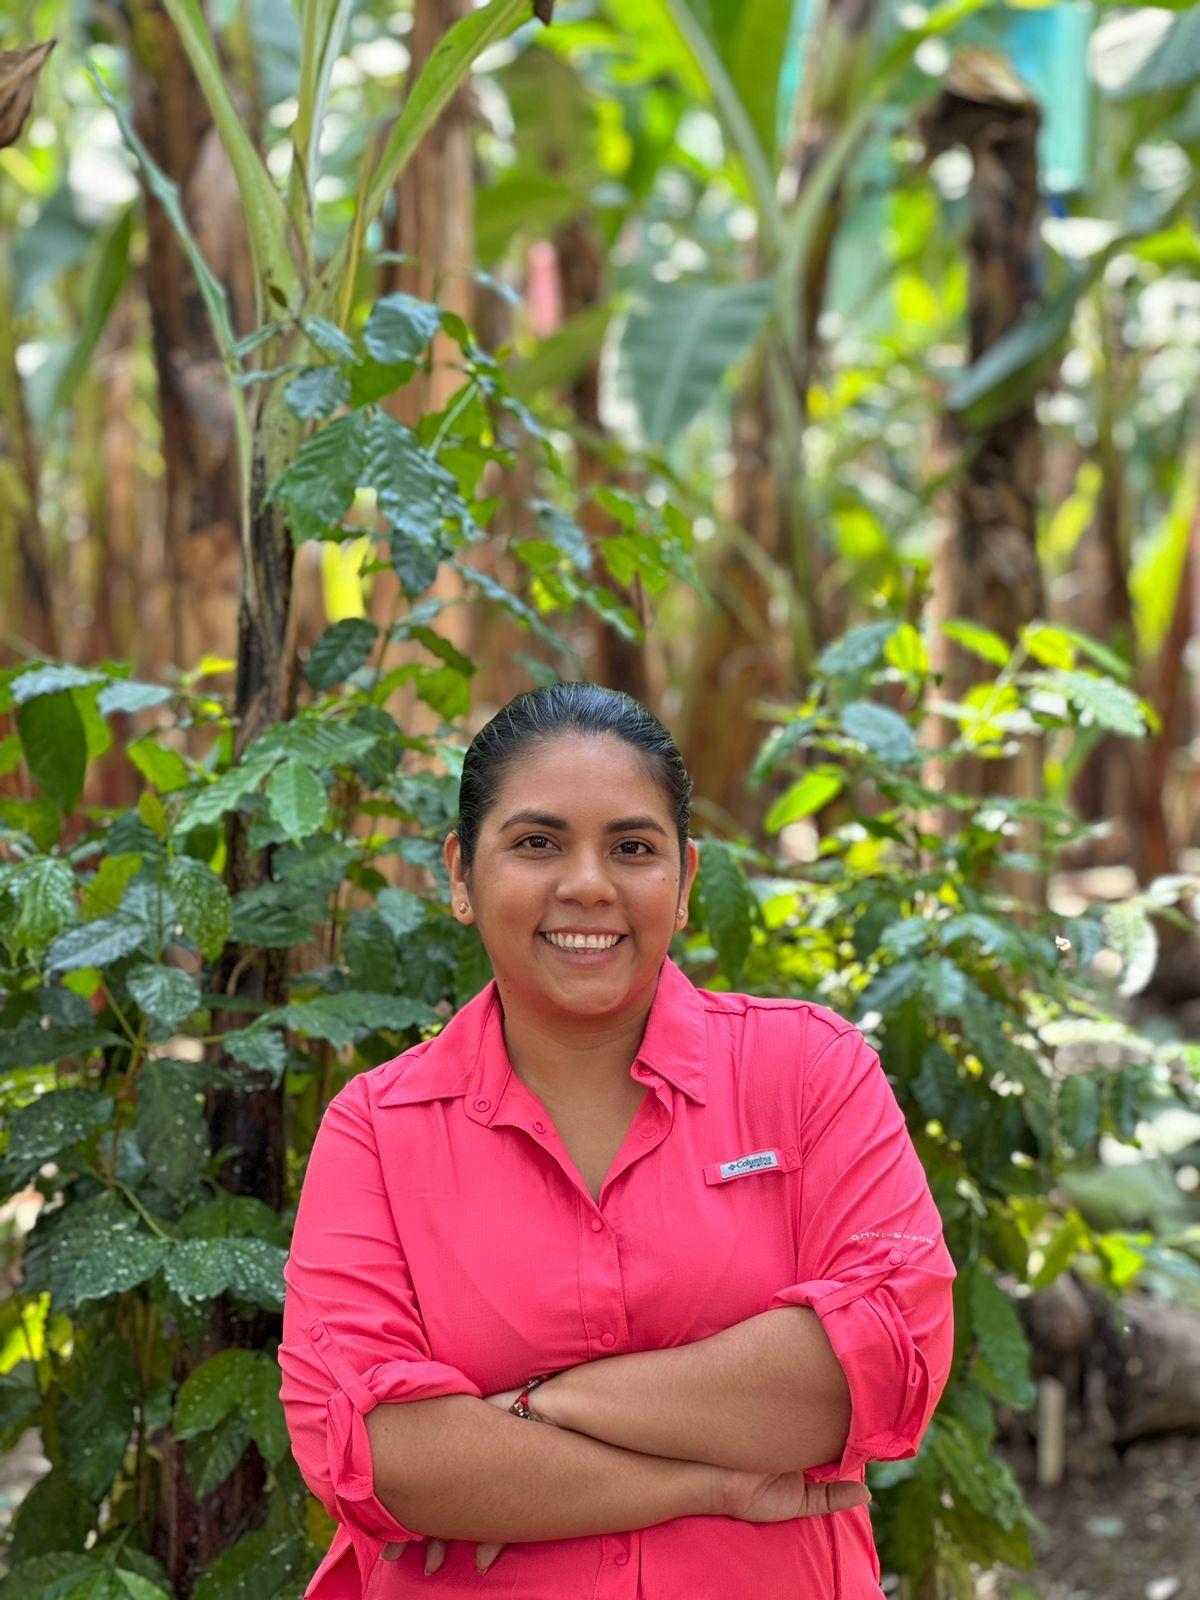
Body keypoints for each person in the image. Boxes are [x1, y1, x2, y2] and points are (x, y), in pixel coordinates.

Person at [278, 682, 956, 1599]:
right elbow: (379, 1452)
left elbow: (882, 1362)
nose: (589, 883)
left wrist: (525, 1412)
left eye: (633, 847)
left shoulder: (807, 1071)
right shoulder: (378, 1129)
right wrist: (715, 1479)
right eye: (537, 842)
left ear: (682, 882)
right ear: (458, 877)